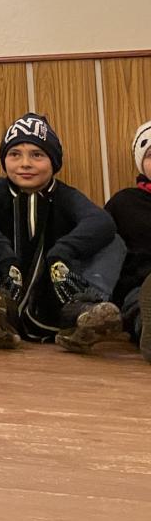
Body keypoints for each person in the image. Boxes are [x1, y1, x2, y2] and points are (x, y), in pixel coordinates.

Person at [0, 113, 125, 352]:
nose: (25, 164)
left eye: (37, 155)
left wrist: (62, 252)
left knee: (113, 241)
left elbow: (102, 222)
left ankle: (89, 310)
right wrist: (5, 256)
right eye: (15, 154)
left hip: (59, 299)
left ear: (53, 161)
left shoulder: (64, 195)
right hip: (9, 291)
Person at [102, 119, 151, 361]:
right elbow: (100, 248)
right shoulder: (124, 203)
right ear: (141, 163)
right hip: (139, 287)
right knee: (141, 305)